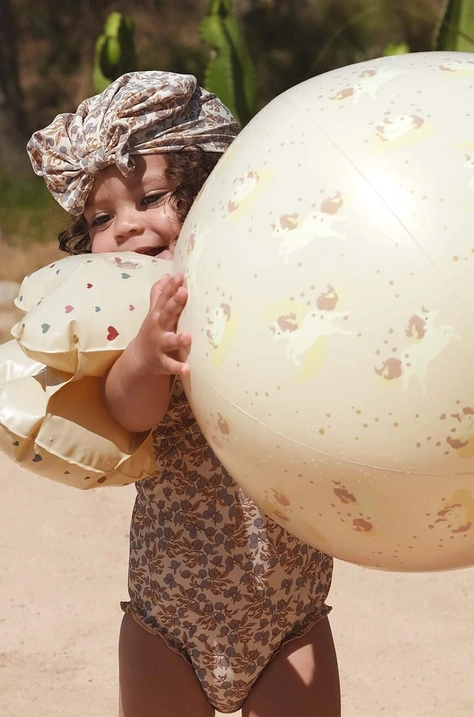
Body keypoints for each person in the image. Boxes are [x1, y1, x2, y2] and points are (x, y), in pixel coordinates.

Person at [26, 71, 340, 717]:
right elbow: (126, 412)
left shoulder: (268, 298)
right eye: (102, 216)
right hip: (166, 621)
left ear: (212, 190)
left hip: (290, 616)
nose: (127, 227)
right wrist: (146, 356)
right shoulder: (128, 329)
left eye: (153, 197)